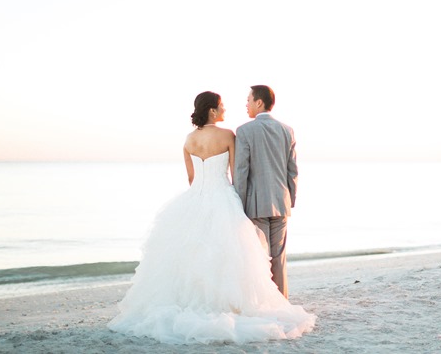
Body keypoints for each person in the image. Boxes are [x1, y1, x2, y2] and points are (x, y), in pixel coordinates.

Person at [108, 91, 315, 345]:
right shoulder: (228, 135)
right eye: (222, 106)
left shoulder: (189, 140)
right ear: (213, 111)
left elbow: (192, 179)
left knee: (193, 256)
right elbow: (239, 171)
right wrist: (240, 199)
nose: (226, 109)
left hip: (196, 199)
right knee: (240, 257)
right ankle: (256, 302)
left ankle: (198, 301)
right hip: (227, 197)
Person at [234, 85, 297, 298]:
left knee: (261, 257)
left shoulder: (244, 131)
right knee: (279, 258)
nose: (246, 104)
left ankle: (265, 302)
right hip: (281, 202)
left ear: (259, 102)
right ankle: (282, 302)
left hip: (256, 204)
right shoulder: (287, 130)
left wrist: (237, 204)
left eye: (249, 100)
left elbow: (241, 171)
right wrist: (291, 199)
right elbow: (293, 170)